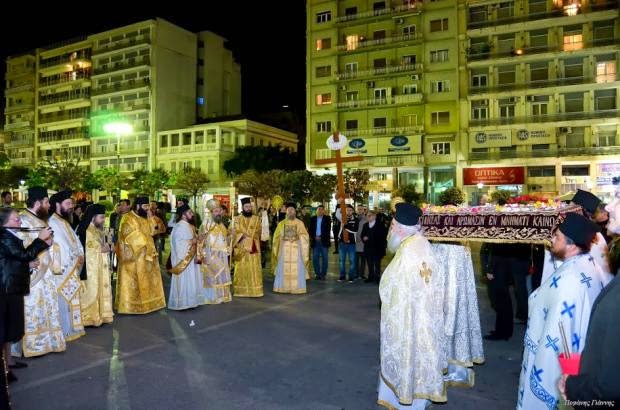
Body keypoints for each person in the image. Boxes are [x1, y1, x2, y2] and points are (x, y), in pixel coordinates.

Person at [517, 213, 612, 410]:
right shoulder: (587, 264)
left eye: (557, 237)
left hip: (558, 359)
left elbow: (557, 331)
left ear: (572, 245)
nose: (552, 239)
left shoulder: (570, 280)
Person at [378, 203, 446, 409]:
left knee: (408, 353)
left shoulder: (407, 249)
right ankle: (421, 396)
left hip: (408, 316)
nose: (390, 231)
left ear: (399, 228)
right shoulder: (422, 243)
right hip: (425, 314)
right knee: (422, 353)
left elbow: (391, 284)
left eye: (392, 226)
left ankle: (408, 398)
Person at [0, 208, 52, 385]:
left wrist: (28, 263)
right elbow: (22, 255)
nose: (19, 222)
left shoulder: (9, 235)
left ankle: (9, 363)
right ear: (5, 222)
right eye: (16, 220)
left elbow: (14, 260)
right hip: (5, 290)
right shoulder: (4, 236)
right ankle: (5, 367)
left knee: (9, 329)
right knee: (5, 329)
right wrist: (40, 239)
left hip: (10, 288)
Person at [13, 187, 65, 358]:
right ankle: (33, 344)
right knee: (33, 307)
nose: (49, 205)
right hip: (34, 273)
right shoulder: (23, 221)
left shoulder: (41, 220)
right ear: (37, 202)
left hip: (46, 273)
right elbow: (20, 247)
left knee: (47, 306)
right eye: (46, 202)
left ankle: (48, 341)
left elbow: (49, 244)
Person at [115, 196, 166, 314]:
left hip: (147, 255)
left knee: (146, 280)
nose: (148, 208)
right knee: (135, 282)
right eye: (145, 206)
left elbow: (154, 231)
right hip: (133, 257)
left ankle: (148, 304)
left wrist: (151, 218)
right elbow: (128, 234)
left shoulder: (145, 217)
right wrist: (146, 243)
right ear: (137, 206)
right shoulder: (127, 218)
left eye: (148, 206)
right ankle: (131, 306)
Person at [47, 190, 85, 342]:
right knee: (63, 301)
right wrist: (75, 258)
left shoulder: (64, 221)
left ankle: (72, 328)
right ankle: (64, 330)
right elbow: (59, 247)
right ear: (57, 204)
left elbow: (75, 242)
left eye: (71, 204)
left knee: (70, 300)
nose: (71, 207)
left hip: (73, 267)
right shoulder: (52, 222)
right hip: (63, 270)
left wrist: (80, 254)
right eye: (68, 204)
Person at [76, 204, 113, 327]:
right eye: (101, 217)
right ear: (93, 217)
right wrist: (101, 249)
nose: (103, 220)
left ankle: (99, 315)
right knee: (91, 291)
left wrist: (105, 247)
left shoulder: (96, 229)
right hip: (89, 269)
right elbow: (86, 250)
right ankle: (89, 317)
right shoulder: (86, 230)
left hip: (99, 267)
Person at [167, 204, 205, 310]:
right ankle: (183, 303)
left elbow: (193, 239)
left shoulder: (188, 226)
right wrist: (192, 241)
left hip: (190, 258)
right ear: (183, 215)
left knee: (192, 280)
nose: (192, 214)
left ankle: (191, 302)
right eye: (189, 212)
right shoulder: (179, 227)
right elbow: (178, 244)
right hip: (183, 260)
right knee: (185, 281)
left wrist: (199, 238)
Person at [198, 199, 232, 304]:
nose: (219, 213)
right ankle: (211, 297)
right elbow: (201, 241)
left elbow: (225, 240)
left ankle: (222, 296)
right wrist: (204, 255)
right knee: (212, 276)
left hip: (222, 255)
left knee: (222, 276)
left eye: (220, 211)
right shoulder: (206, 225)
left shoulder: (221, 225)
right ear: (211, 212)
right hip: (211, 255)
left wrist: (231, 235)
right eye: (216, 211)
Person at [272, 202, 310, 294]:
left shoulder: (300, 223)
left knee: (297, 269)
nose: (290, 212)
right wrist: (281, 236)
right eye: (288, 211)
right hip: (284, 252)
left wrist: (298, 237)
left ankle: (297, 288)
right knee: (282, 268)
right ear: (286, 212)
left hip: (297, 252)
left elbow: (305, 237)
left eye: (292, 210)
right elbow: (275, 238)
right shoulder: (281, 224)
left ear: (295, 212)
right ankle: (282, 288)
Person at [231, 197, 263, 297]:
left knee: (253, 269)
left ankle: (255, 290)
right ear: (243, 207)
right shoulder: (236, 219)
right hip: (241, 248)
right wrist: (241, 235)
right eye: (246, 206)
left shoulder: (256, 219)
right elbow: (232, 232)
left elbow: (259, 232)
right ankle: (241, 290)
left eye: (249, 206)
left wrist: (251, 237)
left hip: (253, 248)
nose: (248, 208)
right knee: (241, 269)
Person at [361, 210, 387, 284]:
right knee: (369, 263)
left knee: (377, 264)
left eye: (369, 216)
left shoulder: (380, 225)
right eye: (367, 216)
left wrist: (369, 237)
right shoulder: (365, 225)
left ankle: (377, 277)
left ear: (374, 216)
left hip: (377, 248)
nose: (368, 217)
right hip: (368, 248)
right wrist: (364, 238)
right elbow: (362, 235)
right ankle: (370, 277)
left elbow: (383, 236)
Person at [336, 202, 359, 283]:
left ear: (352, 211)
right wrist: (339, 203)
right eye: (347, 210)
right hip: (342, 243)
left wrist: (345, 226)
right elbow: (337, 214)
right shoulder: (342, 218)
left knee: (352, 261)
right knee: (341, 261)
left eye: (350, 210)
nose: (349, 211)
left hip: (352, 244)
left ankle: (351, 277)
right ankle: (342, 276)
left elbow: (355, 230)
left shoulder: (356, 219)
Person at [309, 205, 331, 280]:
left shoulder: (327, 219)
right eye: (319, 209)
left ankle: (323, 274)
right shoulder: (312, 219)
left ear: (324, 211)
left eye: (322, 209)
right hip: (315, 241)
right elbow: (310, 230)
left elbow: (328, 229)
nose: (320, 211)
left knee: (325, 258)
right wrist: (314, 236)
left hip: (324, 241)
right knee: (315, 258)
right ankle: (317, 274)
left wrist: (320, 236)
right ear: (316, 211)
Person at [355, 204, 368, 279]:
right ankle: (356, 274)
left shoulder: (366, 219)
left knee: (363, 260)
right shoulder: (354, 218)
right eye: (358, 209)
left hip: (363, 242)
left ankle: (362, 274)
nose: (359, 210)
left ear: (364, 210)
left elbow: (367, 230)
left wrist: (362, 238)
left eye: (361, 209)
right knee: (355, 260)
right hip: (355, 242)